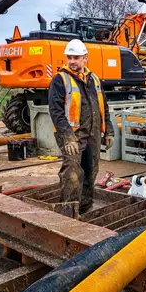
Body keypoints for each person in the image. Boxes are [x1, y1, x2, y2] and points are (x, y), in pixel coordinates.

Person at [48, 39, 114, 215]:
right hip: (73, 136)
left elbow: (103, 107)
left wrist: (108, 130)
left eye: (76, 57)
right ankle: (67, 213)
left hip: (92, 134)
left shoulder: (94, 79)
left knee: (91, 171)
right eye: (69, 57)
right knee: (72, 174)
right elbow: (56, 112)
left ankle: (85, 209)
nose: (72, 61)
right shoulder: (60, 80)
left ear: (85, 57)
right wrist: (67, 137)